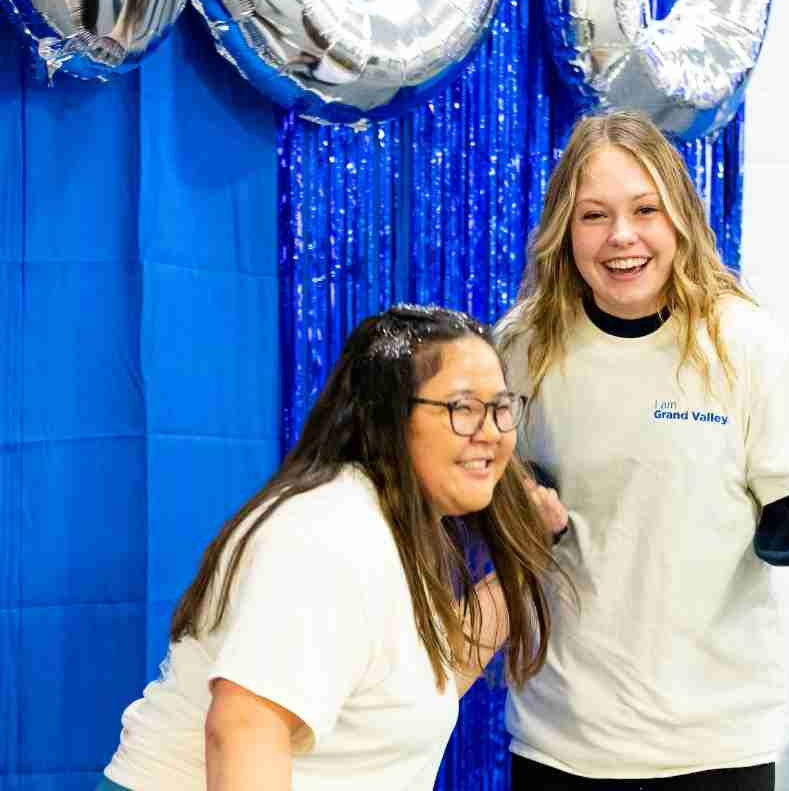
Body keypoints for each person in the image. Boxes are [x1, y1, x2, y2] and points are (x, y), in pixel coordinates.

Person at [498, 110, 789, 790]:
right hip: (562, 740)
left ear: (680, 219)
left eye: (646, 209)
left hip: (713, 745)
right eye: (594, 215)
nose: (622, 236)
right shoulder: (525, 345)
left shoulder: (740, 344)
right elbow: (488, 491)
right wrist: (515, 503)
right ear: (564, 229)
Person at [98, 304, 566, 791]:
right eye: (463, 408)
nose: (490, 432)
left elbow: (435, 675)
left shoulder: (393, 525)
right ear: (387, 418)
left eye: (500, 408)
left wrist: (531, 548)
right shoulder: (328, 533)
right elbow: (244, 729)